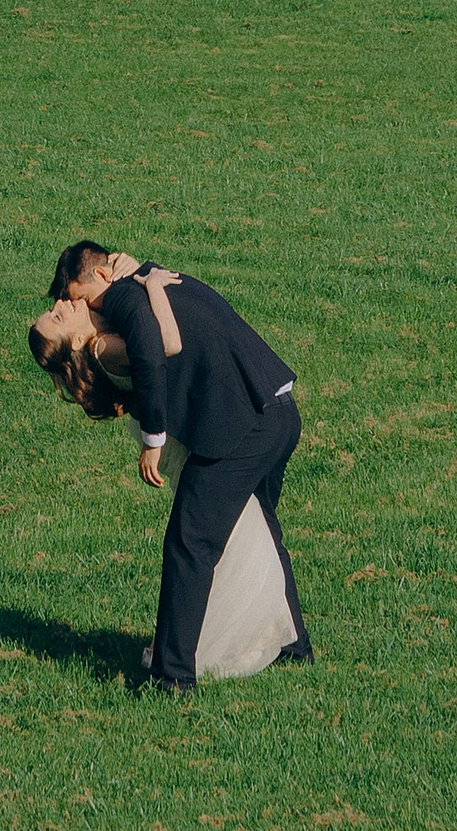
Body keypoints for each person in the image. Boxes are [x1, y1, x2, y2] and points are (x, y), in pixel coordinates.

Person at [28, 241, 313, 692]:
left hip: (248, 424)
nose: (66, 303)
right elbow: (160, 340)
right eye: (62, 316)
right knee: (259, 531)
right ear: (77, 340)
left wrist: (141, 272)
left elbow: (164, 339)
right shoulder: (107, 341)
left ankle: (173, 676)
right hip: (273, 410)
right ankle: (294, 645)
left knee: (189, 544)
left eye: (64, 301)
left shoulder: (117, 310)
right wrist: (148, 277)